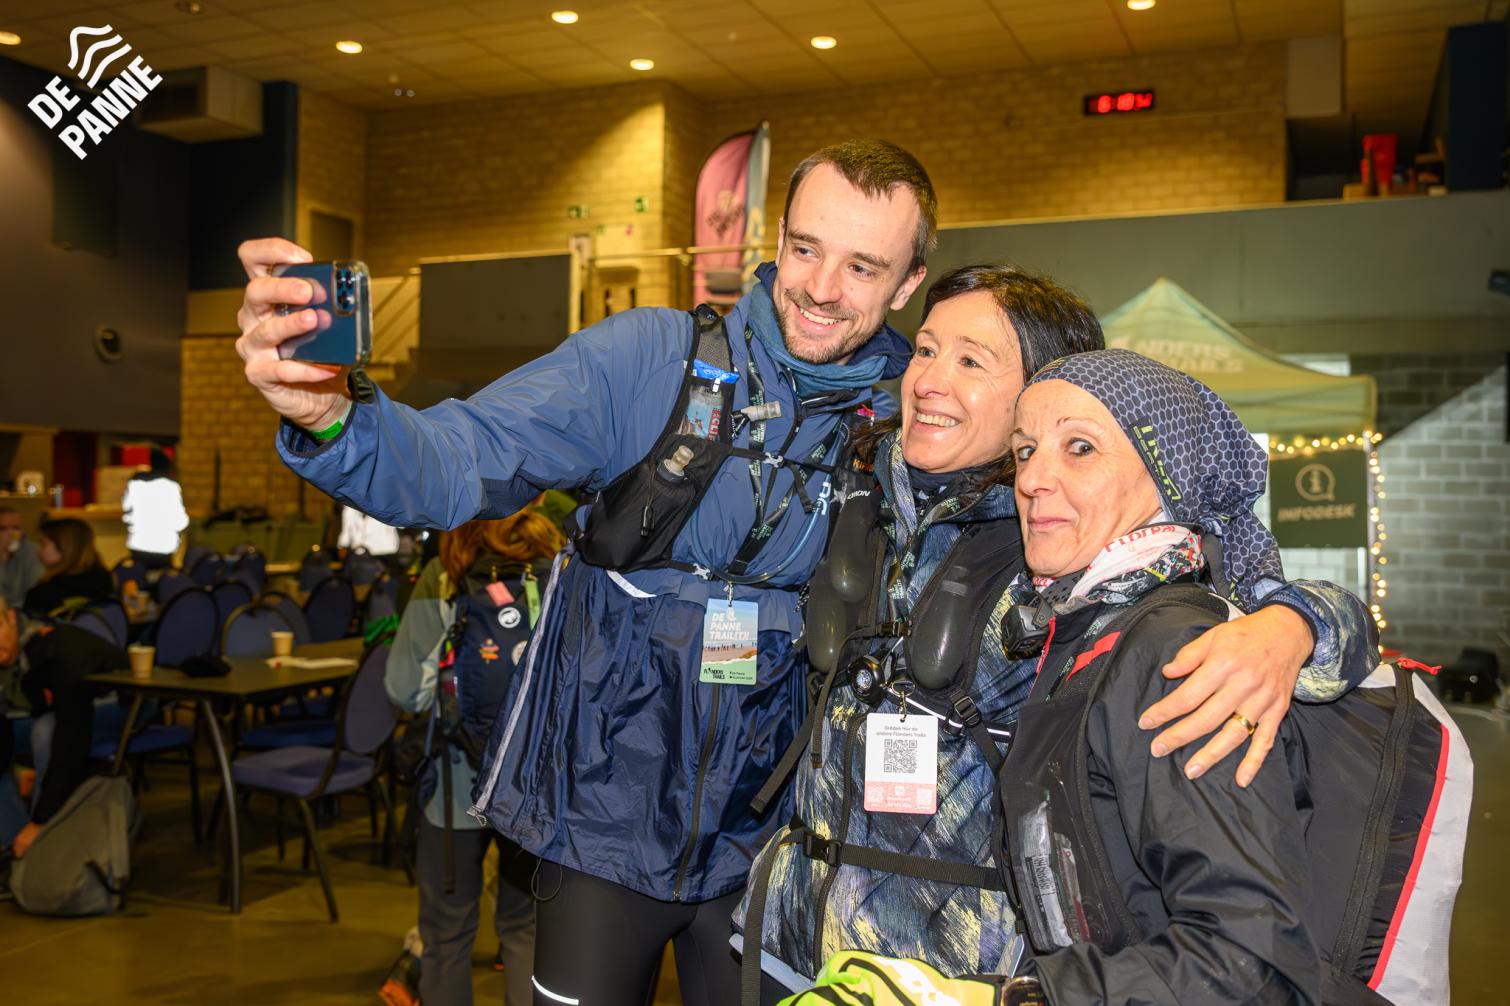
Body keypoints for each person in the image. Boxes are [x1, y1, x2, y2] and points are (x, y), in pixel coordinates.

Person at [234, 140, 1331, 1006]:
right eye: (805, 249)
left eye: (863, 267)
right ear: (773, 239)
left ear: (907, 280)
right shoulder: (651, 360)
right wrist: (332, 417)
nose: (821, 288)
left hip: (775, 854)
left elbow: (1159, 511)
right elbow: (460, 458)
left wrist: (1293, 623)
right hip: (602, 818)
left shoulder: (928, 414)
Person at [734, 267, 1378, 1002]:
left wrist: (1294, 626)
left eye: (971, 361)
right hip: (800, 940)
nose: (931, 379)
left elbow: (1247, 948)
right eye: (926, 350)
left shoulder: (1066, 553)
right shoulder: (866, 498)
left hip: (956, 974)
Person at [984, 350, 1467, 1004]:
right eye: (1025, 451)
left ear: (1169, 474)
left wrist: (1021, 999)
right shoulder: (1089, 630)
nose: (1034, 478)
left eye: (1080, 448)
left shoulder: (1175, 653)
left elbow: (1248, 961)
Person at [386, 507, 562, 1006]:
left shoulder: (445, 577)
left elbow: (404, 688)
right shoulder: (559, 573)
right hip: (532, 789)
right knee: (525, 929)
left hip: (455, 784)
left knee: (446, 934)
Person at [0, 594, 128, 859]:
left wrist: (41, 819)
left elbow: (72, 735)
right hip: (51, 712)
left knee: (46, 732)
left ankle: (47, 839)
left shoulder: (58, 650)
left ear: (11, 618)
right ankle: (15, 847)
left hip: (121, 703)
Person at [23, 518, 113, 617]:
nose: (37, 549)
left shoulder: (42, 595)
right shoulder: (106, 582)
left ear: (65, 548)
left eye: (43, 544)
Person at [121, 448, 190, 569]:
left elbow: (126, 509)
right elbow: (180, 522)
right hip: (164, 546)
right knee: (162, 579)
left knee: (140, 576)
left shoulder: (135, 484)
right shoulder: (171, 487)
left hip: (138, 544)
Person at [0, 506, 44, 610]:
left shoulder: (33, 552)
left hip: (24, 611)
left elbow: (35, 591)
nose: (11, 533)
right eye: (3, 528)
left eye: (16, 528)